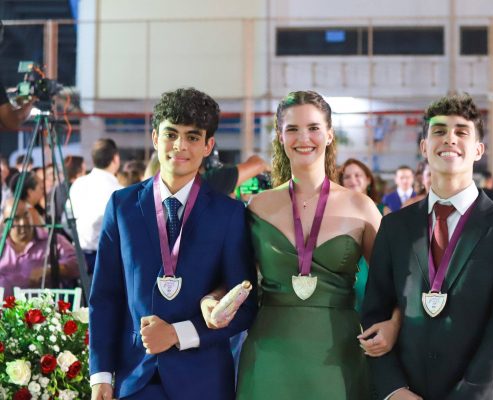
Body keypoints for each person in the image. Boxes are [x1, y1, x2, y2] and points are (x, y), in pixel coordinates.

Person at [204, 91, 399, 399]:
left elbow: (397, 285)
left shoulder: (361, 207)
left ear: (329, 134)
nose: (303, 138)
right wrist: (211, 301)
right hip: (269, 357)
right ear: (280, 136)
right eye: (292, 129)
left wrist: (394, 325)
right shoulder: (258, 206)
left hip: (339, 358)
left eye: (313, 128)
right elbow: (236, 278)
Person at [88, 88, 257, 400]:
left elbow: (244, 304)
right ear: (155, 138)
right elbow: (105, 297)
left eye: (193, 137)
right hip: (134, 378)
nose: (180, 145)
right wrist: (100, 375)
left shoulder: (229, 214)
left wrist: (178, 334)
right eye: (171, 134)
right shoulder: (122, 206)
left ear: (208, 145)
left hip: (203, 382)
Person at [362, 93, 493, 400]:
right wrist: (393, 388)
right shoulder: (395, 227)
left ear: (478, 149)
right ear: (424, 147)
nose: (449, 138)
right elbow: (375, 311)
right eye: (439, 131)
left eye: (461, 132)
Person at [0, 198, 79, 296]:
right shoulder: (2, 245)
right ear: (4, 223)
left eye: (26, 215)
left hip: (45, 304)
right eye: (16, 219)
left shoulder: (53, 240)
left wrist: (50, 270)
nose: (23, 223)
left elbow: (78, 263)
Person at [68, 138, 122, 274]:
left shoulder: (78, 184)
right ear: (115, 159)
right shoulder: (119, 191)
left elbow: (66, 220)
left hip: (78, 256)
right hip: (107, 258)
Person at [340, 157, 383, 311]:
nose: (352, 180)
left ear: (368, 180)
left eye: (357, 175)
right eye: (347, 176)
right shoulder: (336, 212)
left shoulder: (384, 211)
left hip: (371, 270)